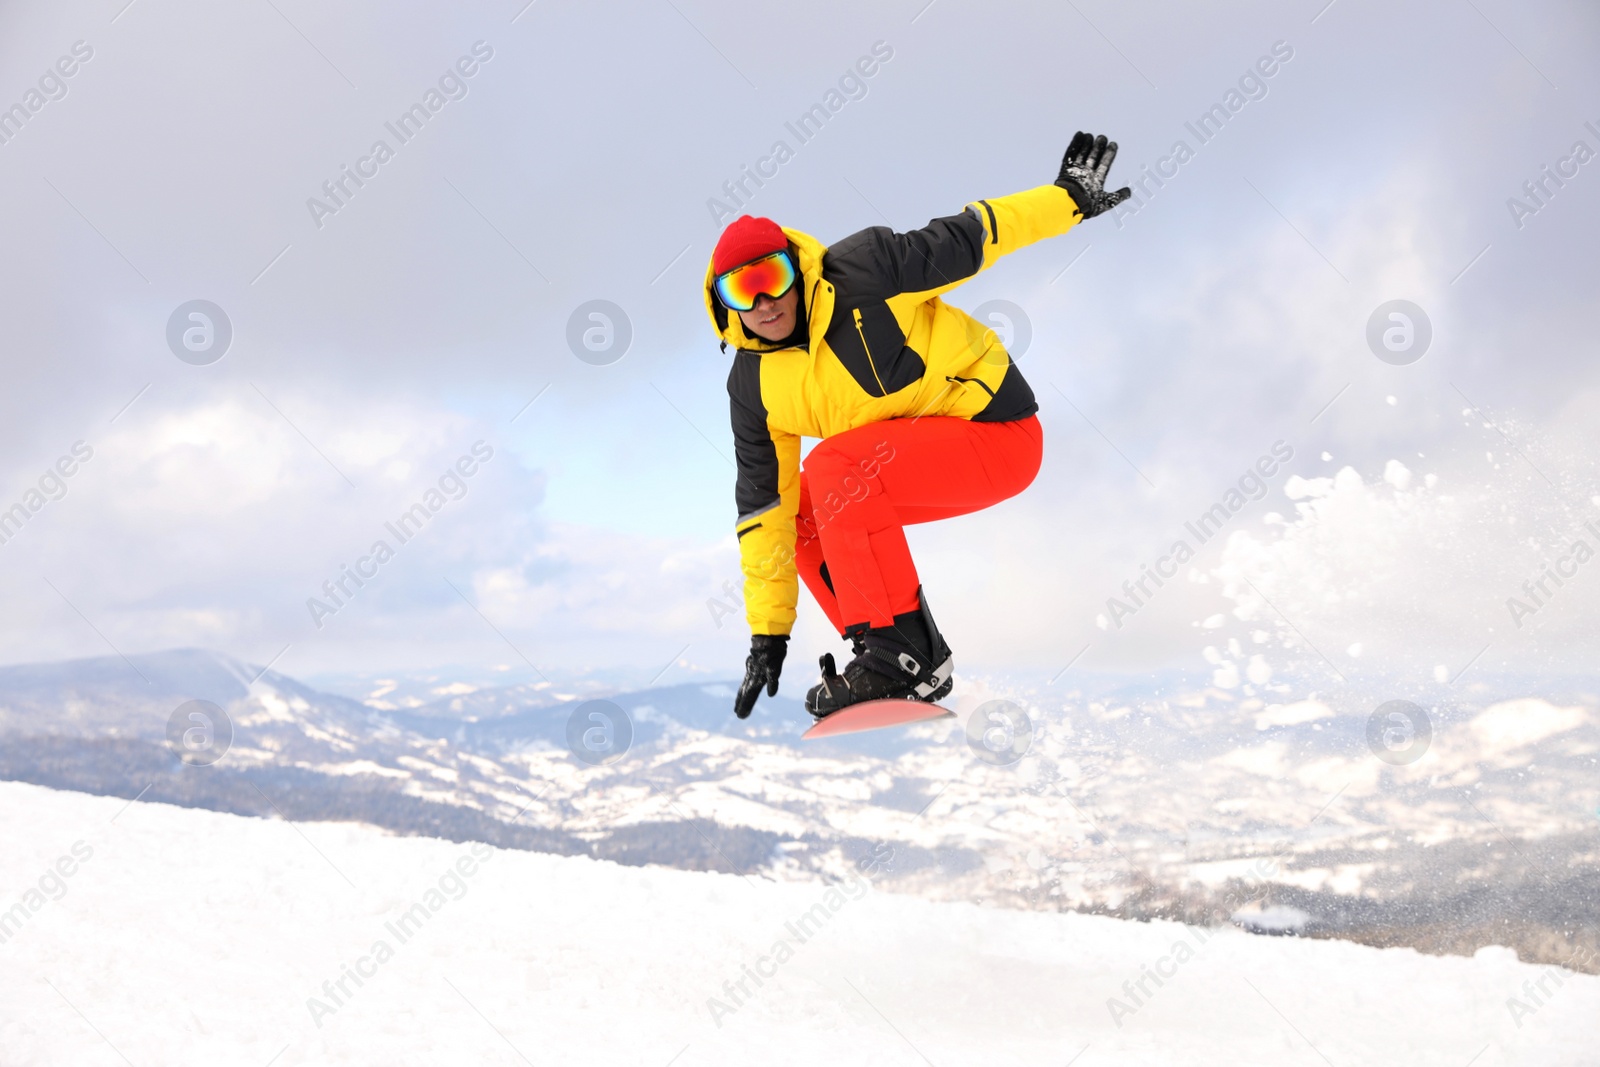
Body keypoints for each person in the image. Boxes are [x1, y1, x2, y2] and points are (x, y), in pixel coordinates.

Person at [706, 132, 1131, 720]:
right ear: (724, 302)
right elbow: (762, 515)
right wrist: (767, 634)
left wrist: (1070, 199)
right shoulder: (751, 386)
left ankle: (899, 655)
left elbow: (977, 235)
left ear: (795, 269)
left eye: (771, 277)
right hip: (904, 465)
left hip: (996, 434)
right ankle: (892, 654)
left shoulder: (866, 274)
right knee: (800, 510)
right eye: (742, 290)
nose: (765, 303)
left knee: (834, 465)